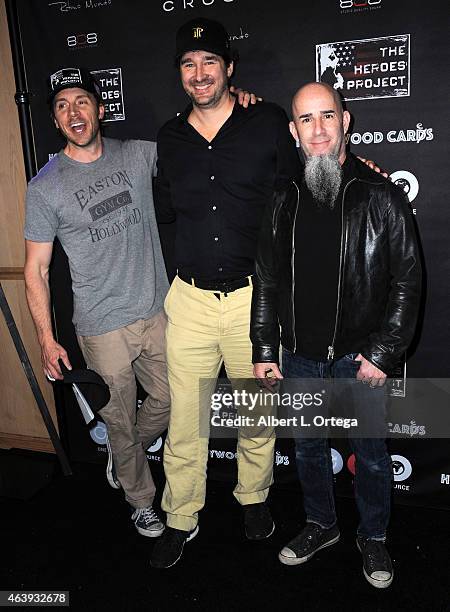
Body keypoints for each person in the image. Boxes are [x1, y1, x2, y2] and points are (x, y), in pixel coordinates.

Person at [251, 82, 421, 588]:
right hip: (300, 356)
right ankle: (322, 526)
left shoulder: (381, 194)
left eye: (328, 116)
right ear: (293, 130)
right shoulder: (282, 196)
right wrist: (264, 347)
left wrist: (383, 352)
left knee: (370, 454)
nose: (319, 129)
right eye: (307, 119)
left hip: (359, 357)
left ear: (345, 122)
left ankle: (373, 538)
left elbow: (408, 279)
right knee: (306, 449)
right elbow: (266, 278)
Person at [150, 17, 302, 568]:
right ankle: (181, 515)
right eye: (188, 64)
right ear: (180, 75)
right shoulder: (169, 138)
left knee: (256, 411)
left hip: (253, 300)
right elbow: (162, 209)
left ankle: (253, 497)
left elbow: (306, 188)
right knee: (186, 419)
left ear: (229, 69)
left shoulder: (266, 122)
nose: (199, 73)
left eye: (209, 61)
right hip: (188, 300)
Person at [24, 67, 171, 538]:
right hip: (100, 324)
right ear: (56, 120)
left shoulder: (136, 155)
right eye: (63, 106)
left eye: (82, 101)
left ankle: (122, 451)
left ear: (100, 109)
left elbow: (201, 143)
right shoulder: (44, 186)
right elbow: (36, 271)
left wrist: (236, 100)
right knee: (118, 417)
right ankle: (140, 499)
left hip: (155, 311)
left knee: (172, 399)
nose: (74, 112)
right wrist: (47, 341)